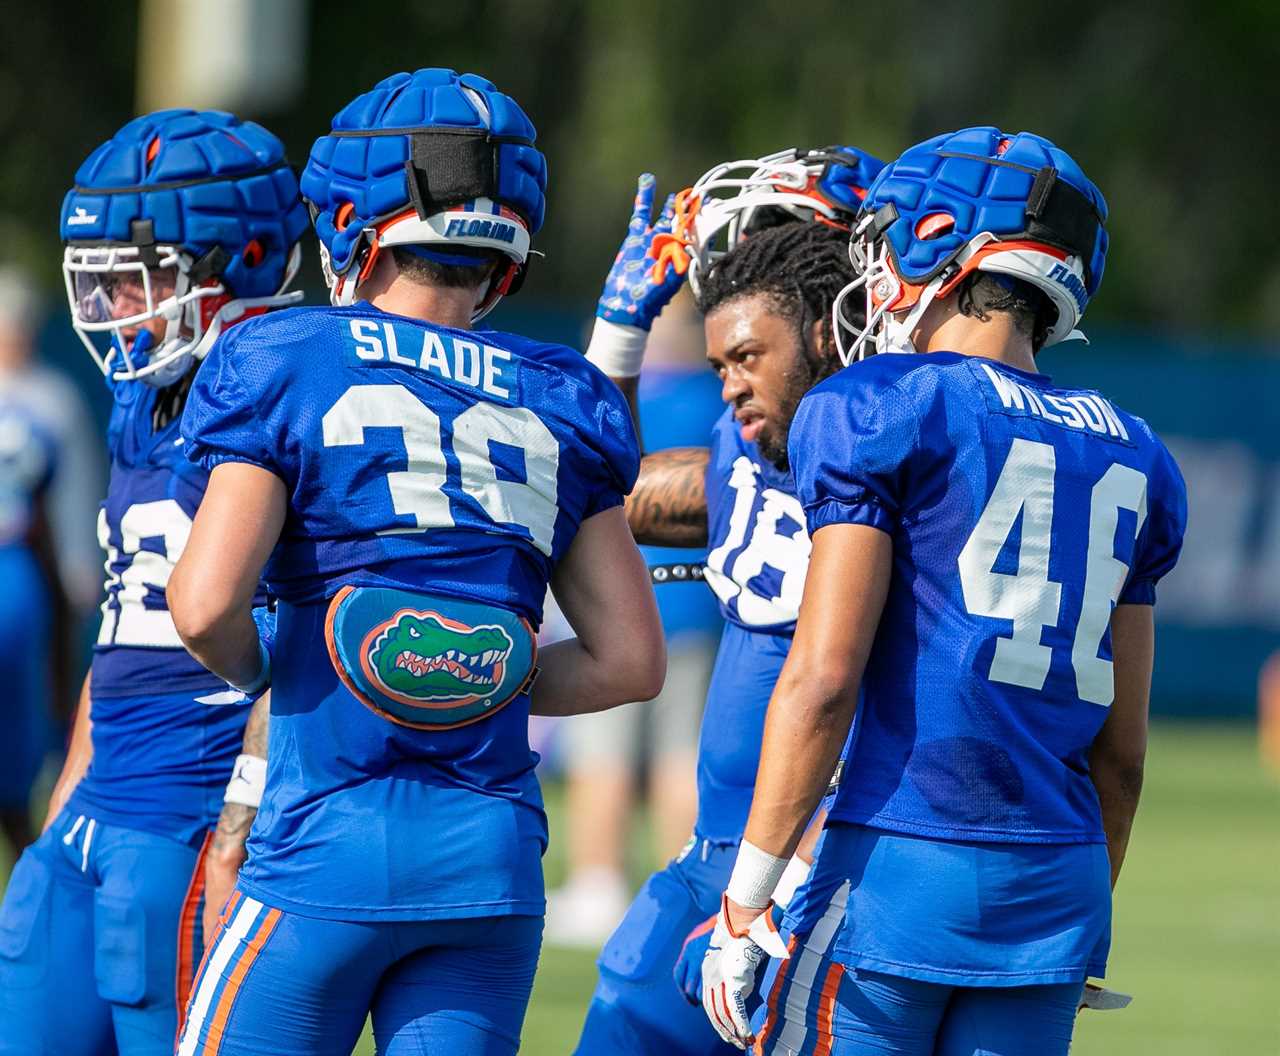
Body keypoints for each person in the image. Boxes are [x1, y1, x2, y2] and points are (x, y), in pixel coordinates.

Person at [167, 68, 665, 1056]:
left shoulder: (291, 354)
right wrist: (467, 670)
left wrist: (294, 670)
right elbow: (628, 663)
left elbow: (203, 603)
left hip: (327, 841)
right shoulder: (559, 394)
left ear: (350, 223)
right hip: (489, 858)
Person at [701, 127, 1187, 1056]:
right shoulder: (1137, 449)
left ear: (939, 244)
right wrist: (1076, 919)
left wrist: (745, 901)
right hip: (1058, 883)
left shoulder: (884, 400)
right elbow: (1121, 757)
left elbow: (825, 676)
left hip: (900, 865)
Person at [0, 109, 307, 1056]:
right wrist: (69, 796)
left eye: (145, 276)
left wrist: (245, 816)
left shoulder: (289, 383)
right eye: (105, 280)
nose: (120, 304)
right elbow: (123, 617)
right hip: (97, 808)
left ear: (243, 257)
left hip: (189, 816)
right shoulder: (142, 396)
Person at [572, 146, 883, 1055]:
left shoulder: (907, 441)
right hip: (716, 858)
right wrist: (616, 342)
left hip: (829, 875)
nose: (735, 375)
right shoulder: (747, 435)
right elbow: (597, 495)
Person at [546, 295, 723, 949]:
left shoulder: (613, 396)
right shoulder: (720, 397)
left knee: (605, 754)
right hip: (702, 603)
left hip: (621, 602)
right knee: (683, 755)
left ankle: (599, 882)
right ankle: (685, 884)